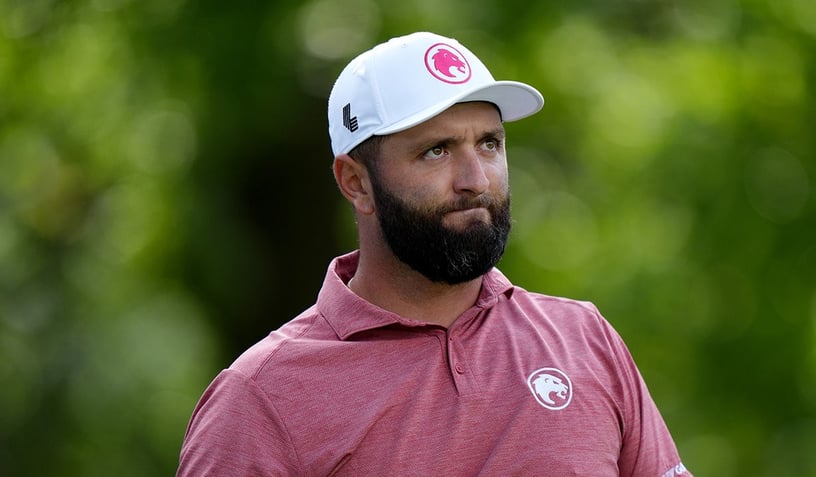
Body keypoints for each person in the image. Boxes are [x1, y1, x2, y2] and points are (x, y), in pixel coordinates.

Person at [177, 31, 691, 476]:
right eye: (436, 151)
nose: (475, 180)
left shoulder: (583, 339)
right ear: (356, 183)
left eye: (489, 144)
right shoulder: (260, 397)